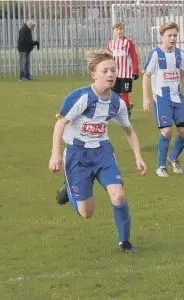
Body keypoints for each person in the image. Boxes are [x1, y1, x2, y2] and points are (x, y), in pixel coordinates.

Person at [49, 50, 146, 253]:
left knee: (118, 196)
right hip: (77, 155)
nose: (111, 74)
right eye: (105, 71)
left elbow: (129, 131)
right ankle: (69, 190)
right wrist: (56, 154)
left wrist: (138, 157)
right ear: (94, 73)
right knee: (86, 213)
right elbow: (60, 124)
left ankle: (125, 243)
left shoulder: (117, 102)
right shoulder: (81, 97)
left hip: (102, 154)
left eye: (113, 70)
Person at [142, 21, 184, 178]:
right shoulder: (156, 54)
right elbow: (146, 76)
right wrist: (146, 97)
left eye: (174, 35)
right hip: (162, 97)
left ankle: (173, 158)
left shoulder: (180, 54)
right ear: (161, 36)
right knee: (166, 131)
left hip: (177, 97)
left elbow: (183, 74)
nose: (172, 38)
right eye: (169, 35)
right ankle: (160, 166)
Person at [106, 23, 139, 119]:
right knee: (115, 94)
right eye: (117, 29)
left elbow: (134, 57)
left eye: (121, 29)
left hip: (126, 73)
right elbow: (108, 58)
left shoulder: (128, 42)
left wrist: (135, 71)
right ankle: (125, 107)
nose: (119, 31)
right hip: (115, 73)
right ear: (114, 31)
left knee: (124, 93)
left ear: (123, 30)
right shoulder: (111, 43)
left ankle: (127, 112)